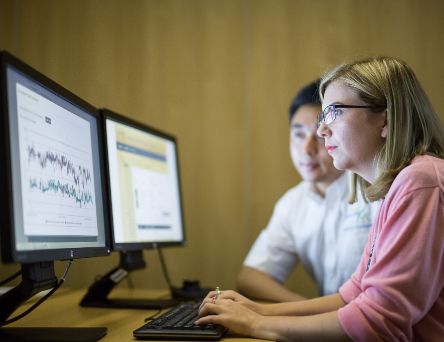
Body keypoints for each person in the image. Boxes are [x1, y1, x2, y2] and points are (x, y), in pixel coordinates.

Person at [197, 56, 444, 340]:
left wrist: (255, 324)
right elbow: (351, 295)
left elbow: (379, 320)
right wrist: (258, 310)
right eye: (323, 116)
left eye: (335, 112)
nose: (322, 130)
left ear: (386, 119)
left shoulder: (420, 181)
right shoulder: (397, 185)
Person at [237, 81, 379, 302]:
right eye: (299, 134)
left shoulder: (376, 187)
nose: (307, 149)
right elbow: (251, 277)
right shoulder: (293, 203)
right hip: (332, 328)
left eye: (320, 136)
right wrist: (308, 311)